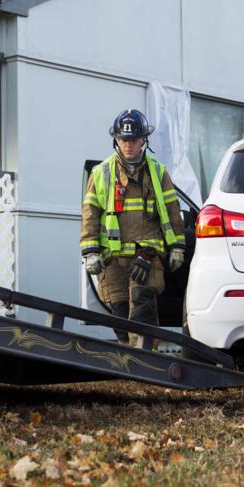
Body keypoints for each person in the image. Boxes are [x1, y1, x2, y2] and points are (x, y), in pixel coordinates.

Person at [80, 109, 186, 346]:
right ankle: (128, 359)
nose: (128, 144)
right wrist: (91, 252)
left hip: (147, 255)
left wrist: (177, 246)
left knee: (142, 310)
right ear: (116, 140)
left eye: (134, 139)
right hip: (113, 259)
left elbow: (172, 211)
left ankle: (145, 359)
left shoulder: (158, 172)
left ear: (143, 140)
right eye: (123, 139)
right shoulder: (101, 173)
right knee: (120, 316)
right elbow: (90, 215)